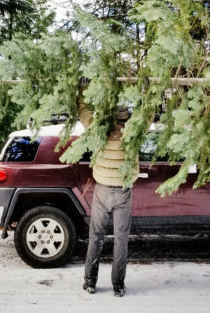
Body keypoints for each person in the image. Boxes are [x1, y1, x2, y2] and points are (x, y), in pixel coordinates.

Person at [78, 82, 139, 297]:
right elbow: (147, 114)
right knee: (121, 239)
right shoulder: (133, 130)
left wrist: (83, 91)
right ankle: (118, 286)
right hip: (123, 192)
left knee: (96, 236)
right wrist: (149, 90)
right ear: (126, 118)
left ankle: (90, 282)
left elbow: (84, 111)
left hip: (102, 190)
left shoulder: (97, 127)